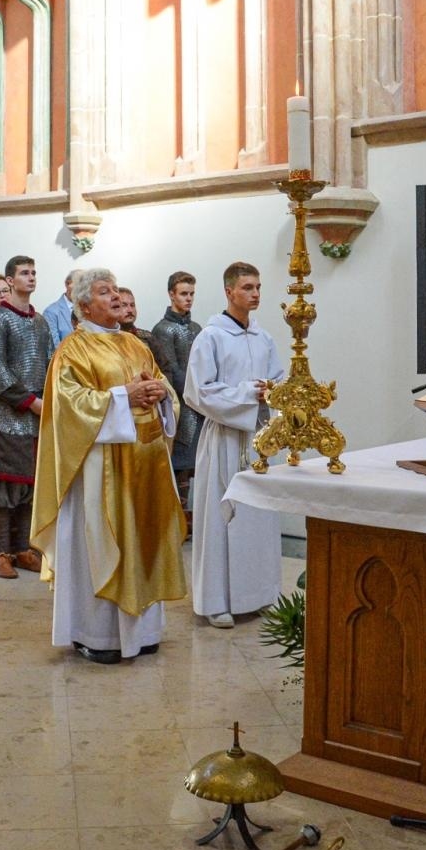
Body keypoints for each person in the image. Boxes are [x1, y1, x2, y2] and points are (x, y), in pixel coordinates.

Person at [31, 268, 187, 663]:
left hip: (146, 464)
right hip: (101, 468)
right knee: (101, 544)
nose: (116, 296)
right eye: (105, 292)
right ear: (84, 306)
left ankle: (144, 632)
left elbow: (162, 386)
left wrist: (160, 394)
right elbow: (68, 405)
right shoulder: (73, 349)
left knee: (145, 542)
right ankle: (96, 636)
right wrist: (123, 397)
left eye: (116, 289)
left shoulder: (135, 344)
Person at [184, 262, 287, 628]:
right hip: (224, 437)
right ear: (229, 291)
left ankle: (259, 594)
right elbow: (198, 391)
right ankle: (217, 601)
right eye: (247, 287)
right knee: (220, 517)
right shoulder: (211, 337)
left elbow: (278, 379)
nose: (255, 294)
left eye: (258, 287)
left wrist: (273, 392)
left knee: (259, 516)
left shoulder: (264, 338)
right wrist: (247, 394)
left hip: (258, 437)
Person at [0, 255, 52, 579]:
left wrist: (49, 398)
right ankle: (1, 553)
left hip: (37, 417)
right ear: (9, 280)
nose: (31, 277)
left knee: (29, 485)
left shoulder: (40, 322)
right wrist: (30, 402)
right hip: (9, 415)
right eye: (24, 273)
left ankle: (23, 549)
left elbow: (48, 364)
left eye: (33, 272)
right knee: (4, 488)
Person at [149, 270, 203, 499]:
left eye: (191, 294)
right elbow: (170, 370)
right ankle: (179, 513)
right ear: (172, 294)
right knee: (178, 467)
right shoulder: (163, 329)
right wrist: (195, 394)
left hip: (199, 405)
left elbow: (203, 365)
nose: (188, 298)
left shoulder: (196, 328)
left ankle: (192, 513)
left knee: (196, 466)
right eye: (183, 294)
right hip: (180, 406)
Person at [41, 270, 80, 349]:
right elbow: (53, 347)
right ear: (67, 284)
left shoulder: (91, 310)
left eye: (86, 286)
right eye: (79, 283)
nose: (83, 289)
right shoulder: (51, 312)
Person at [116, 286, 156, 353]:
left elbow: (163, 360)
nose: (130, 310)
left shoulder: (148, 337)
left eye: (132, 305)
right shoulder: (108, 338)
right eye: (124, 305)